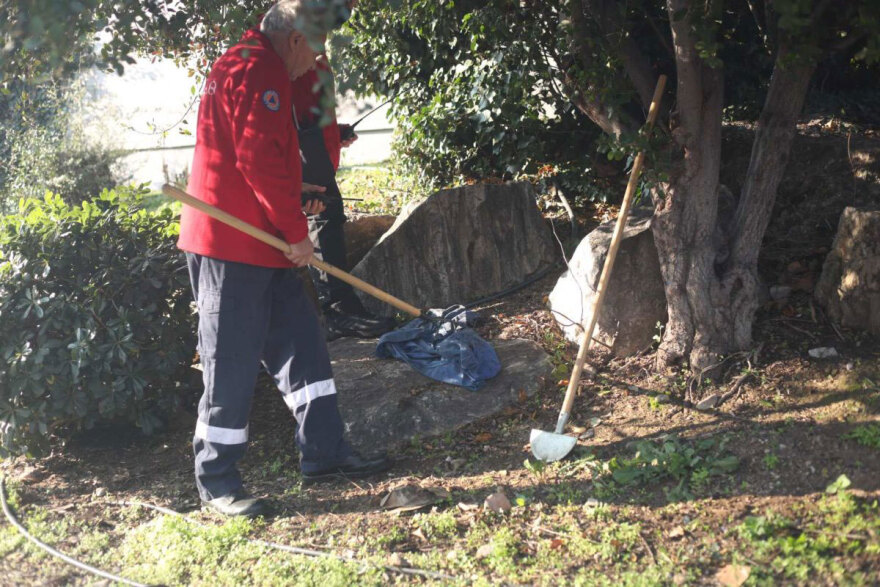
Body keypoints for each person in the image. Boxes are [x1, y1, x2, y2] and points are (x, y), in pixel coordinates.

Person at [177, 0, 390, 518]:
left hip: (266, 238)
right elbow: (258, 159)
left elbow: (280, 151)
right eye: (315, 46)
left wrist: (301, 195)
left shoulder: (260, 64)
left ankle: (324, 452)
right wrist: (300, 232)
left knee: (303, 345)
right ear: (295, 38)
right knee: (229, 361)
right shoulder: (257, 69)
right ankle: (217, 481)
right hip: (232, 244)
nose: (318, 57)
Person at [291, 18, 396, 340]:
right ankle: (338, 311)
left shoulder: (316, 57)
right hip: (303, 157)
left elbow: (315, 114)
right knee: (323, 221)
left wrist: (336, 134)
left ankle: (343, 308)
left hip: (318, 150)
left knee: (330, 221)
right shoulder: (290, 55)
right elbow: (284, 118)